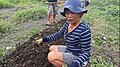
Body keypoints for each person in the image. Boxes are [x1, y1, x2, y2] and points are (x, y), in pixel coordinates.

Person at [36, 0, 91, 67]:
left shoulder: (84, 30)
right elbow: (59, 34)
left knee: (51, 56)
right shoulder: (68, 24)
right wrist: (44, 39)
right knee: (51, 48)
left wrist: (76, 63)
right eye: (67, 13)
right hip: (69, 49)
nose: (69, 16)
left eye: (73, 12)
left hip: (77, 55)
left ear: (80, 14)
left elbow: (86, 52)